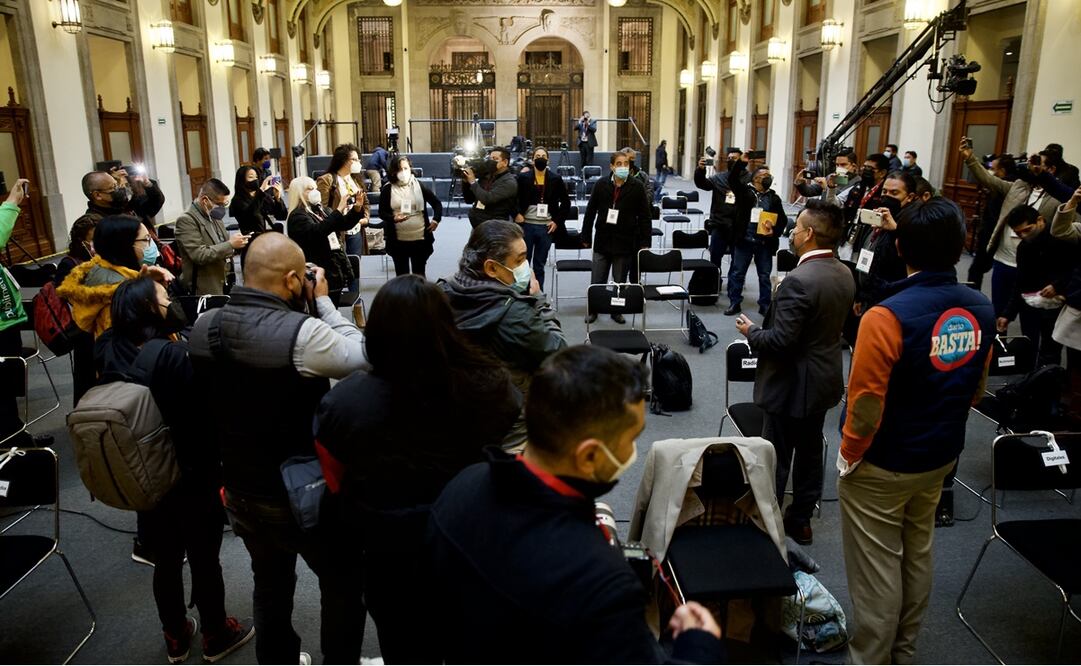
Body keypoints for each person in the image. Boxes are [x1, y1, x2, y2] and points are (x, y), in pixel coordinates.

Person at [427, 345, 725, 664]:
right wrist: (699, 644)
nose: (632, 453)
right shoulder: (602, 583)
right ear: (589, 456)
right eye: (630, 439)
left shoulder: (458, 491)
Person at [314, 275, 520, 663]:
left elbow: (335, 477)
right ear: (446, 325)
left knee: (402, 645)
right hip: (466, 540)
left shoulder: (345, 402)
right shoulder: (489, 386)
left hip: (388, 551)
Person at [187, 232, 367, 665]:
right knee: (342, 584)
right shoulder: (303, 334)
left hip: (241, 486)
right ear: (292, 280)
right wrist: (323, 302)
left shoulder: (202, 326)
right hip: (303, 492)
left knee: (269, 583)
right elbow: (361, 355)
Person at [837, 198, 994, 664]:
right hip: (941, 454)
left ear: (900, 246)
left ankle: (871, 657)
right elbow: (977, 389)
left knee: (876, 569)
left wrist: (849, 455)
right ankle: (905, 653)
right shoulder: (981, 306)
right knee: (917, 551)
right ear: (962, 245)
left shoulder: (884, 317)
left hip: (884, 461)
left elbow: (865, 406)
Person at [95, 277, 254, 663]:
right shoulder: (172, 355)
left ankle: (175, 634)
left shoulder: (105, 348)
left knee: (165, 559)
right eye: (166, 298)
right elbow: (206, 414)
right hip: (189, 473)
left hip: (140, 473)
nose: (172, 301)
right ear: (150, 309)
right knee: (203, 556)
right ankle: (217, 632)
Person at [734, 199, 854, 545]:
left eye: (797, 228)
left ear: (810, 234)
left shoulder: (799, 280)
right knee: (811, 450)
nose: (793, 233)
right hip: (824, 379)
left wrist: (750, 332)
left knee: (777, 454)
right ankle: (801, 518)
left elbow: (781, 342)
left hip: (790, 384)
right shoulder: (844, 271)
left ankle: (767, 520)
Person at [440, 221, 567, 397]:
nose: (526, 266)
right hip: (510, 404)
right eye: (520, 260)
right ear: (491, 268)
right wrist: (539, 301)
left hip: (459, 398)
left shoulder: (442, 290)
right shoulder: (515, 313)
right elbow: (558, 350)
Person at [961, 139, 1067, 321]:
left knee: (1030, 318)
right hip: (1003, 261)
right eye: (1031, 163)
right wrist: (971, 158)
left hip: (1032, 266)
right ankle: (999, 346)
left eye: (1037, 164)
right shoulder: (1018, 186)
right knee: (999, 313)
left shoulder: (1059, 198)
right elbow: (990, 180)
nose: (1032, 167)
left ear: (1051, 170)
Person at [58, 215, 173, 338]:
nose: (151, 245)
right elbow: (139, 342)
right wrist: (145, 290)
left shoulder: (123, 276)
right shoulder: (117, 293)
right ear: (124, 245)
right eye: (146, 240)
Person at [995, 205, 1072, 367]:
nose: (1023, 235)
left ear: (1040, 220)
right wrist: (1007, 314)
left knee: (1050, 351)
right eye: (1017, 233)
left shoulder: (1062, 236)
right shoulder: (1024, 247)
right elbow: (1021, 282)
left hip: (1061, 302)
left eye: (1027, 230)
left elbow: (1074, 269)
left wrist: (1057, 286)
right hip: (1032, 303)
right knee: (1028, 344)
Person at [580, 151, 651, 323]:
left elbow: (644, 216)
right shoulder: (601, 184)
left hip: (625, 240)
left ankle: (615, 310)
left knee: (619, 281)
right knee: (597, 279)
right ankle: (593, 310)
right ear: (611, 166)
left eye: (626, 164)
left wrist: (645, 241)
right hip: (603, 239)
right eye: (619, 164)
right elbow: (590, 211)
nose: (623, 167)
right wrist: (586, 235)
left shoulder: (637, 186)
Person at [0, 179, 44, 447]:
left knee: (7, 387)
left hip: (5, 319)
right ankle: (12, 441)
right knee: (1, 389)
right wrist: (11, 204)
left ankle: (15, 434)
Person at [286, 176, 363, 306]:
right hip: (317, 269)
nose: (315, 192)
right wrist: (338, 210)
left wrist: (356, 209)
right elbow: (317, 232)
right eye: (309, 189)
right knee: (322, 310)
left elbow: (343, 224)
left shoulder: (322, 210)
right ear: (299, 193)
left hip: (334, 267)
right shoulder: (297, 216)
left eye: (315, 188)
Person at [725, 160, 788, 317]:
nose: (768, 177)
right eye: (764, 175)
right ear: (755, 179)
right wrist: (741, 163)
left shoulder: (774, 198)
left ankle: (765, 305)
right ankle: (735, 302)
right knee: (737, 273)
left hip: (764, 243)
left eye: (769, 175)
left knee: (764, 275)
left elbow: (783, 220)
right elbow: (732, 179)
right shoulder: (744, 193)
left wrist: (774, 231)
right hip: (744, 240)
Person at [851, 170, 916, 318]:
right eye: (884, 191)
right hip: (868, 293)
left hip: (889, 300)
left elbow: (909, 258)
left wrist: (895, 230)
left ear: (910, 197)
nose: (887, 197)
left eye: (894, 193)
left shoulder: (911, 224)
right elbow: (865, 253)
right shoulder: (877, 216)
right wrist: (860, 294)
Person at [175, 179, 247, 295]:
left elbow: (222, 244)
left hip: (223, 281)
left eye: (225, 204)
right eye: (220, 204)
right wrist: (230, 244)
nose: (223, 208)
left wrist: (236, 245)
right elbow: (199, 255)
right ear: (205, 200)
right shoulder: (186, 220)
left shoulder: (213, 215)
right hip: (203, 288)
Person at [514, 146, 571, 290]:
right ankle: (523, 294)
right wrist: (517, 214)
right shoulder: (523, 178)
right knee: (523, 263)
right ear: (533, 160)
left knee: (539, 264)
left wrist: (557, 221)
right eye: (537, 156)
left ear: (548, 160)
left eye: (543, 156)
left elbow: (566, 203)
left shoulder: (555, 179)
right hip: (526, 225)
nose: (540, 158)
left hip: (546, 227)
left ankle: (538, 294)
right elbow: (513, 198)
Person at [379, 155, 443, 277]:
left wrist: (436, 220)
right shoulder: (387, 189)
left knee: (419, 274)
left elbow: (436, 203)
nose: (403, 172)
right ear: (393, 171)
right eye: (399, 169)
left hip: (420, 239)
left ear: (410, 169)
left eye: (406, 168)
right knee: (402, 276)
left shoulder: (419, 185)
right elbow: (382, 212)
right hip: (398, 242)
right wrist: (393, 218)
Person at [967, 154, 1017, 289]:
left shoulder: (1004, 187)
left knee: (977, 269)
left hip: (992, 234)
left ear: (1003, 170)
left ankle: (972, 298)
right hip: (1001, 235)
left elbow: (994, 215)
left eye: (993, 168)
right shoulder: (1017, 185)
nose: (991, 172)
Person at [316, 143, 371, 266]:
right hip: (337, 231)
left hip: (355, 230)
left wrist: (365, 218)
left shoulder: (355, 179)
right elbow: (323, 208)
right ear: (344, 160)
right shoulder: (327, 180)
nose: (358, 162)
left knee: (355, 267)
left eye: (358, 159)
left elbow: (365, 202)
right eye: (354, 159)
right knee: (339, 267)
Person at [695, 147, 744, 268]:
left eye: (735, 158)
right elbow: (702, 184)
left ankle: (735, 284)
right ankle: (715, 281)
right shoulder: (719, 178)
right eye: (729, 158)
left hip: (739, 227)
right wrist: (700, 170)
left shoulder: (748, 179)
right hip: (720, 224)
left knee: (737, 259)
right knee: (715, 257)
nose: (731, 160)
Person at [462, 147, 518, 229]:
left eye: (495, 159)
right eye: (490, 158)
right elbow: (469, 199)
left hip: (496, 228)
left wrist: (473, 182)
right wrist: (466, 182)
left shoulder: (509, 182)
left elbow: (487, 199)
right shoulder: (486, 176)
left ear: (505, 162)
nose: (491, 162)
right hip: (478, 227)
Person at [228, 166, 286, 240]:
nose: (255, 180)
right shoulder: (238, 200)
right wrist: (261, 191)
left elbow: (282, 216)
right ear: (242, 180)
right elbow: (251, 215)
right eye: (251, 177)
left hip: (271, 238)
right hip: (253, 240)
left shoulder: (264, 196)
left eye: (256, 177)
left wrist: (277, 198)